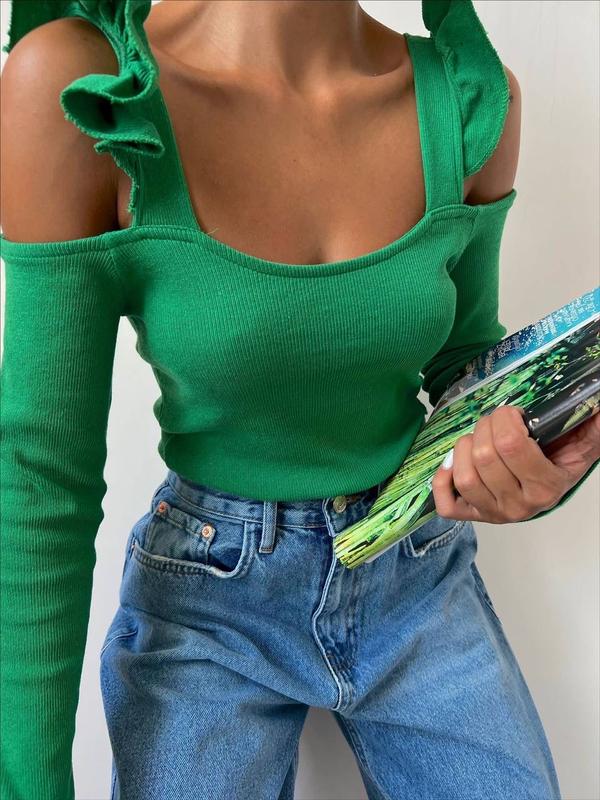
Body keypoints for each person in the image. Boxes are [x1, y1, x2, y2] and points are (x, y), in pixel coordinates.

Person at [1, 1, 598, 799]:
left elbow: (465, 369)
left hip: (417, 574)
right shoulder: (86, 87)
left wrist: (541, 454)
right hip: (208, 606)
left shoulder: (467, 100)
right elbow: (41, 475)